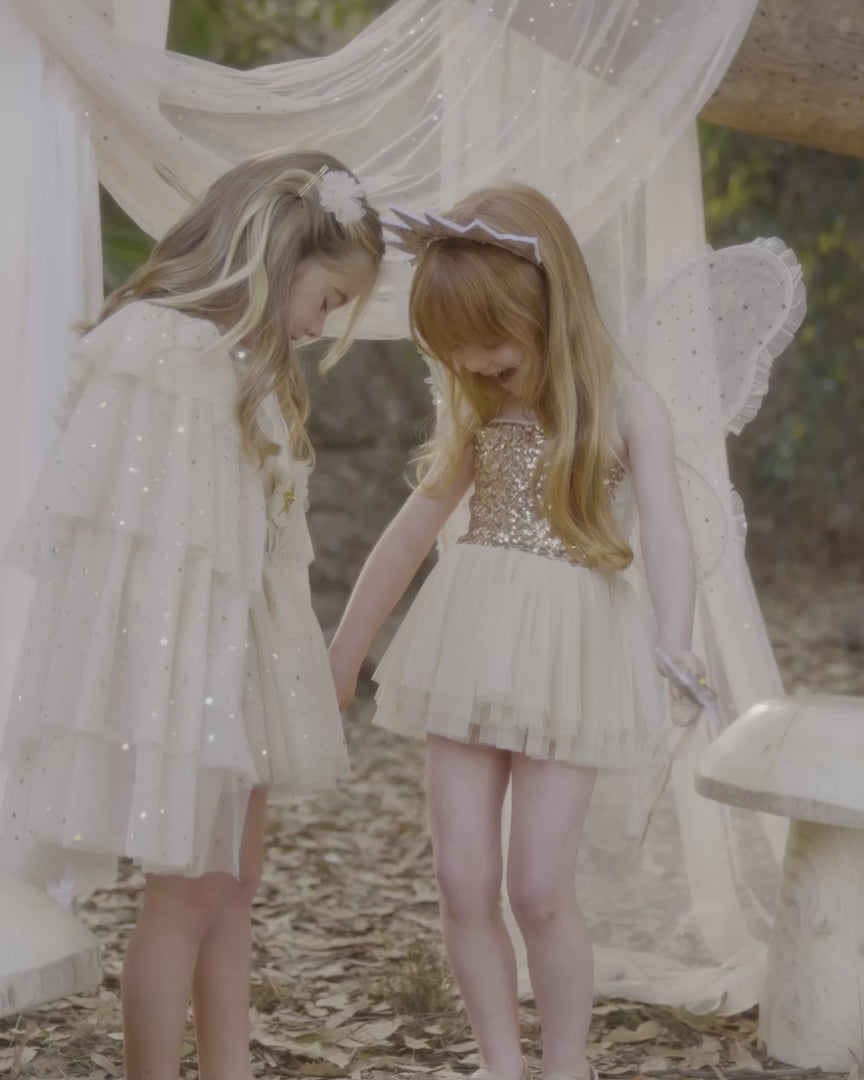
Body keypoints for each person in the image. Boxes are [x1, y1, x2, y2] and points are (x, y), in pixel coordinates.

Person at [0, 148, 383, 1080]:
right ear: (279, 253)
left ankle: (227, 1065)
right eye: (328, 299)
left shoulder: (252, 372)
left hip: (245, 665)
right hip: (189, 671)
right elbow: (141, 537)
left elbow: (266, 548)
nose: (320, 325)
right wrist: (184, 692)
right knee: (184, 897)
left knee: (233, 888)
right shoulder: (165, 350)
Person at [328, 184, 705, 1080]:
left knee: (538, 887)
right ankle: (500, 1062)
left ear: (547, 304)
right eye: (455, 351)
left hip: (571, 654)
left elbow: (667, 528)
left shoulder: (628, 406)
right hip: (469, 641)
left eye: (488, 344)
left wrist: (677, 635)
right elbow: (413, 528)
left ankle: (566, 1065)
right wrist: (344, 648)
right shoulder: (480, 413)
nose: (473, 365)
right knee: (462, 878)